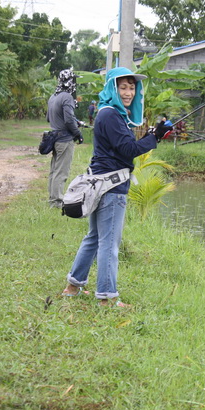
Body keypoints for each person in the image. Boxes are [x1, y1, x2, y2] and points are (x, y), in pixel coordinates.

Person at [60, 67, 173, 308]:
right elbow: (129, 150)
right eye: (123, 87)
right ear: (113, 88)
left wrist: (153, 134)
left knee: (95, 238)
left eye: (132, 87)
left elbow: (122, 146)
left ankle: (73, 286)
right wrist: (156, 137)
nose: (128, 92)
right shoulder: (111, 115)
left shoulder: (111, 114)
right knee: (109, 243)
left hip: (101, 183)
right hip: (111, 187)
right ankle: (107, 298)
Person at [47, 69, 84, 208]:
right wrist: (78, 134)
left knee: (54, 170)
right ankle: (56, 202)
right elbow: (68, 120)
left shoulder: (53, 97)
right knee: (61, 171)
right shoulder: (67, 97)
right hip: (64, 139)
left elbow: (49, 118)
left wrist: (76, 121)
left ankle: (52, 198)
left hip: (54, 137)